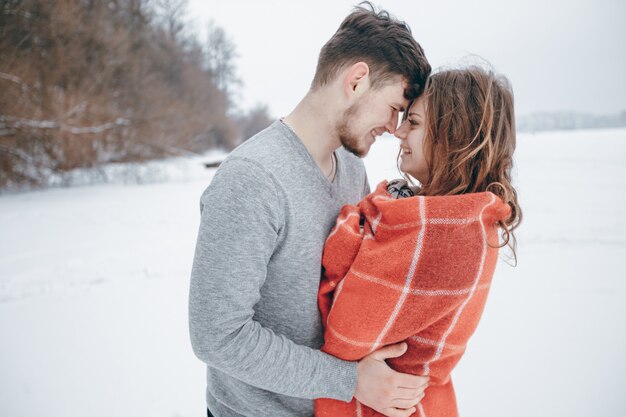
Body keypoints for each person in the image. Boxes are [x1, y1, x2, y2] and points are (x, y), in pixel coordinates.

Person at [188, 3, 432, 417]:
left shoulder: (353, 170)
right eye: (394, 108)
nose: (395, 128)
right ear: (357, 81)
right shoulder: (253, 178)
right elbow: (217, 335)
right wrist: (349, 380)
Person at [316, 66, 522, 417]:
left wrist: (358, 221)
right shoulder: (451, 217)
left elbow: (345, 334)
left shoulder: (447, 232)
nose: (398, 132)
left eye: (413, 122)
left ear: (453, 136)